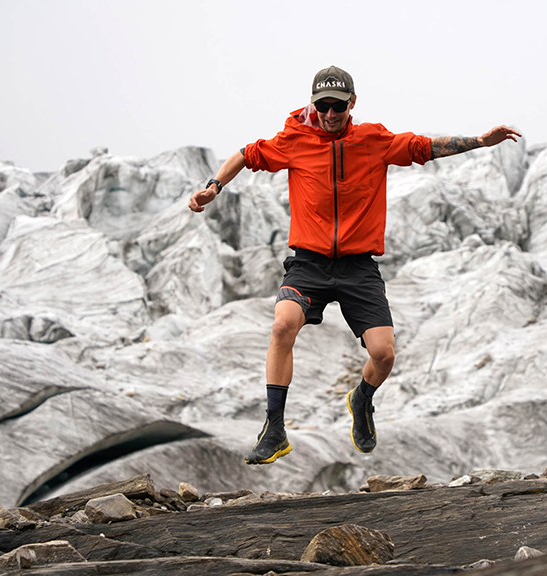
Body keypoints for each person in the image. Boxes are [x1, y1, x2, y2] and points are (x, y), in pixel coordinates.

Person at [189, 65, 521, 465]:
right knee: (281, 325)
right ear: (314, 104)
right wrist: (213, 186)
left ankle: (361, 400)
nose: (330, 114)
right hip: (309, 262)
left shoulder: (373, 140)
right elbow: (245, 153)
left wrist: (481, 142)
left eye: (338, 107)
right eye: (323, 106)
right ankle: (274, 429)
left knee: (384, 355)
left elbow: (422, 147)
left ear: (352, 104)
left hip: (358, 267)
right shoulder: (294, 140)